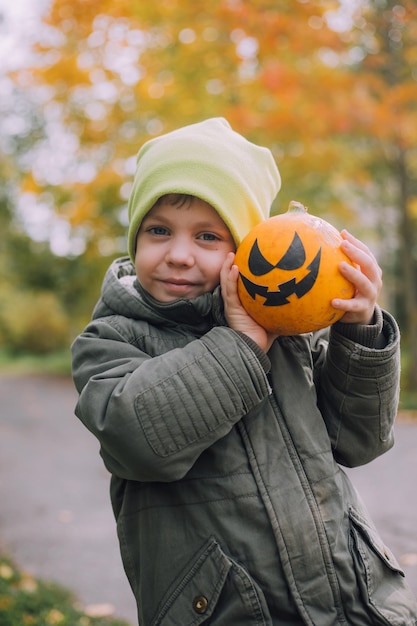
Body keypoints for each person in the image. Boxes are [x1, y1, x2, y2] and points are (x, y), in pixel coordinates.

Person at [71, 117, 417, 625]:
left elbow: (358, 441)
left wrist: (359, 329)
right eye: (158, 230)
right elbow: (139, 441)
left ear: (249, 248)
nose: (179, 255)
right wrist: (240, 345)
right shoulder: (113, 339)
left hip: (355, 601)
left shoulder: (292, 331)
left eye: (208, 236)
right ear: (135, 238)